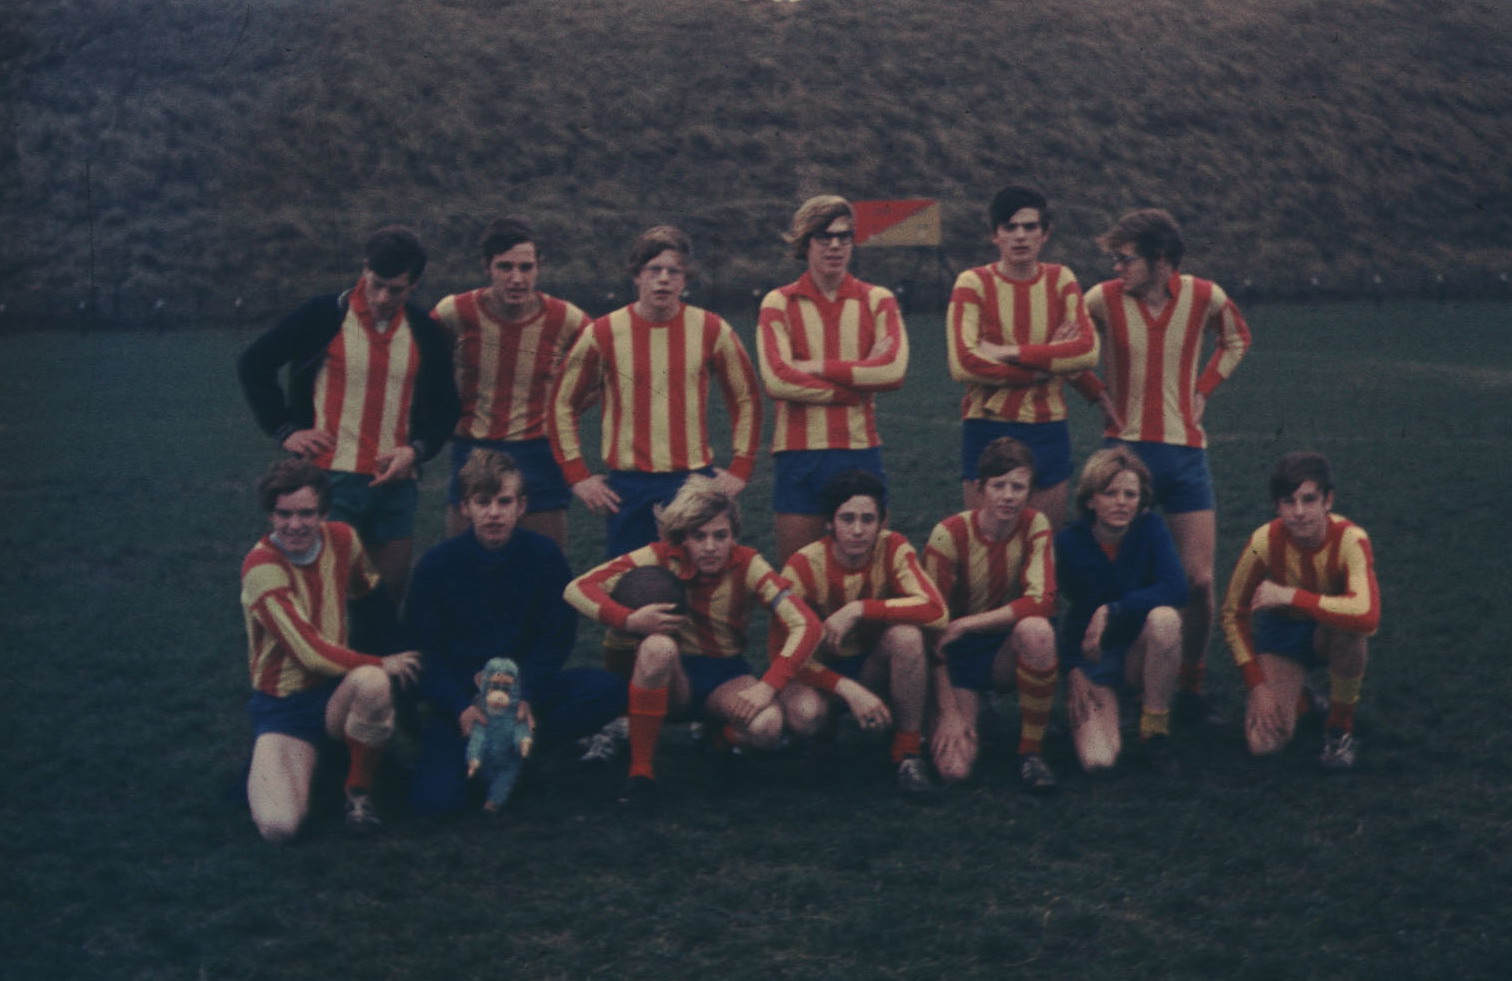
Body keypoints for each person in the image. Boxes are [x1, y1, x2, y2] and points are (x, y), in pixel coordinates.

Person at [1076, 208, 1251, 722]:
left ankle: (1191, 683)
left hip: (1185, 456)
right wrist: (1095, 393)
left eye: (1125, 259)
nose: (1116, 268)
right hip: (1126, 457)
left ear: (1161, 262)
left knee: (1198, 581)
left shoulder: (1203, 296)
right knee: (1127, 581)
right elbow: (1066, 350)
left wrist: (1203, 390)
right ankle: (1127, 676)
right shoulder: (1101, 300)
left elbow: (1237, 338)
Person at [564, 476, 822, 814]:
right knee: (657, 647)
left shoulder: (747, 562)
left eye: (720, 535)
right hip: (676, 676)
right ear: (682, 537)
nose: (711, 546)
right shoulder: (658, 556)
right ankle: (641, 774)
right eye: (699, 537)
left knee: (768, 728)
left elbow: (808, 624)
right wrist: (629, 619)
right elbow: (577, 588)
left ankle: (720, 739)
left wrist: (768, 687)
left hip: (726, 674)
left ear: (734, 535)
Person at [238, 225, 460, 601]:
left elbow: (447, 407)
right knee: (326, 602)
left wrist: (416, 451)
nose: (382, 297)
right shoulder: (324, 315)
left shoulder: (423, 330)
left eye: (396, 289)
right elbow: (255, 364)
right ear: (364, 268)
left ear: (414, 285)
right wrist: (285, 430)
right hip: (329, 482)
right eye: (375, 284)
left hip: (395, 486)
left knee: (385, 603)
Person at [403, 449, 627, 816]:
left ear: (521, 506)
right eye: (483, 502)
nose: (494, 512)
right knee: (435, 806)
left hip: (522, 693)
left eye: (503, 501)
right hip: (462, 701)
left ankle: (520, 749)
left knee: (610, 690)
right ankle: (471, 754)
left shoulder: (543, 556)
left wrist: (528, 692)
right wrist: (459, 706)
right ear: (465, 508)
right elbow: (422, 649)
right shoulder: (438, 565)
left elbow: (557, 637)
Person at [549, 225, 762, 558]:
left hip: (693, 484)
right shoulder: (603, 332)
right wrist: (577, 476)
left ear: (685, 278)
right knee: (634, 587)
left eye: (673, 271)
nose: (663, 279)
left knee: (699, 588)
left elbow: (746, 398)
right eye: (654, 270)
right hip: (629, 488)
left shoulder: (711, 328)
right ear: (637, 275)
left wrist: (741, 468)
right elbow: (562, 403)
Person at [240, 459, 421, 841]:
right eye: (283, 514)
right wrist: (382, 661)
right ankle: (294, 771)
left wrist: (405, 660)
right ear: (270, 514)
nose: (294, 524)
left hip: (334, 693)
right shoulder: (261, 567)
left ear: (323, 512)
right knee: (279, 828)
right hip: (284, 707)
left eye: (306, 513)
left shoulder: (342, 539)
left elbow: (372, 600)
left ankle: (358, 794)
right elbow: (308, 652)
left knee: (372, 683)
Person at [757, 195, 909, 564]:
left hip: (859, 451)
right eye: (824, 237)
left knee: (869, 573)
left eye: (844, 236)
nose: (836, 245)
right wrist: (852, 388)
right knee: (798, 573)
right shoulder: (778, 303)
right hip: (799, 455)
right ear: (805, 243)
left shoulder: (878, 299)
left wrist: (814, 367)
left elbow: (892, 372)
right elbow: (777, 381)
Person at [776, 470, 947, 795]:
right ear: (829, 522)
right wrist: (846, 689)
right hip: (818, 672)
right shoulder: (801, 566)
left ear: (883, 521)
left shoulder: (893, 547)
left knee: (907, 636)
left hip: (871, 666)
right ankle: (823, 738)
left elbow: (936, 611)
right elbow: (780, 655)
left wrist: (859, 609)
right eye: (847, 518)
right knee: (805, 716)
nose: (857, 530)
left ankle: (908, 751)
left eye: (868, 519)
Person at [431, 218, 593, 548]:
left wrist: (564, 412)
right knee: (464, 566)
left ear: (539, 267)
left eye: (526, 267)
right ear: (487, 267)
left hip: (538, 451)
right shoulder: (455, 312)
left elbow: (603, 372)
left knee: (544, 569)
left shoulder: (566, 318)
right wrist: (442, 414)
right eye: (505, 267)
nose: (516, 278)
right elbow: (423, 367)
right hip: (473, 448)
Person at [947, 185, 1098, 528]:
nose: (1020, 236)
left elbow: (1087, 351)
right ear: (994, 235)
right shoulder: (973, 283)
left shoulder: (1061, 280)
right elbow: (963, 363)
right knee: (983, 544)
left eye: (1030, 227)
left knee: (1044, 544)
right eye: (1009, 227)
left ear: (1045, 234)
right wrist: (1044, 368)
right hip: (986, 425)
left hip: (1047, 427)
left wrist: (1009, 352)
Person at [1220, 451, 1379, 769]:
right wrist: (1258, 686)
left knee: (1352, 633)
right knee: (1264, 745)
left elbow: (1368, 616)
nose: (1300, 512)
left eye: (1309, 500)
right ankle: (1301, 698)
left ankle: (1339, 729)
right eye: (1289, 502)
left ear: (1328, 500)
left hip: (1329, 632)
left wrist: (1292, 596)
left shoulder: (1350, 539)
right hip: (1283, 639)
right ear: (1277, 506)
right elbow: (1232, 613)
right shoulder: (1263, 541)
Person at [924, 438, 1059, 792]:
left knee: (1038, 630)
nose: (1008, 496)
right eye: (999, 485)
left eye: (1018, 487)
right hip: (956, 657)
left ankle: (1031, 750)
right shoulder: (948, 535)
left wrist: (968, 623)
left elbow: (1041, 601)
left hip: (1002, 646)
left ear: (1030, 492)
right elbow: (931, 630)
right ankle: (962, 708)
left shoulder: (1035, 525)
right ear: (979, 488)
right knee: (954, 771)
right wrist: (948, 710)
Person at [1054, 447, 1188, 775]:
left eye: (1131, 494)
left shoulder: (1150, 529)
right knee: (1098, 762)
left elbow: (1177, 588)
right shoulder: (1068, 543)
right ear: (1090, 500)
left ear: (1142, 500)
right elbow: (1050, 610)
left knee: (1166, 619)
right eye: (1110, 493)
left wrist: (1112, 610)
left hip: (1138, 654)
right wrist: (1071, 669)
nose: (1121, 502)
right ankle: (1117, 708)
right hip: (1094, 659)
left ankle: (1154, 730)